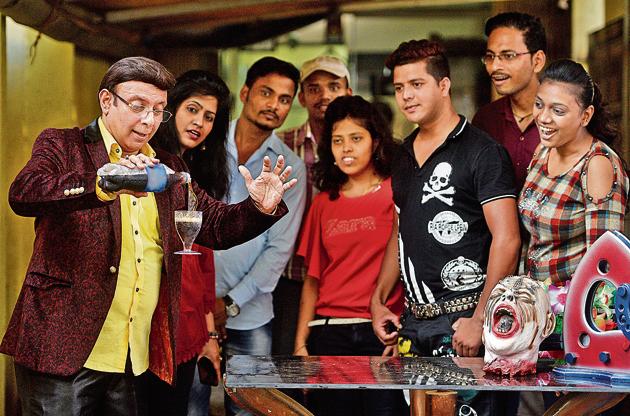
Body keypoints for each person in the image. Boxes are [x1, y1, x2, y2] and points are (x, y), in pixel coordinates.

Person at [1, 56, 296, 415]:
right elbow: (25, 193)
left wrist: (258, 207)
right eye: (138, 106)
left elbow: (216, 226)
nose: (149, 120)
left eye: (158, 110)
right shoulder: (64, 146)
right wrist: (103, 182)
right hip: (63, 348)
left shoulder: (169, 167)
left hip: (132, 357)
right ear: (107, 101)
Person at [369, 40, 521, 415]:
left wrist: (480, 319)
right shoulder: (402, 154)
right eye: (400, 87)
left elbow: (508, 239)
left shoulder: (482, 151)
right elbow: (400, 230)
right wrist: (378, 299)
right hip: (413, 325)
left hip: (468, 325)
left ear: (444, 85)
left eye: (417, 84)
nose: (405, 96)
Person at [294, 95, 407, 416]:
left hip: (381, 334)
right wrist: (301, 344)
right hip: (329, 333)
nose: (346, 149)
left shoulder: (396, 193)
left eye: (356, 139)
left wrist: (405, 334)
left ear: (376, 141)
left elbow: (412, 270)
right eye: (337, 141)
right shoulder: (323, 203)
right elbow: (313, 280)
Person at [214, 56, 307, 416]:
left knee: (250, 409)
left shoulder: (289, 167)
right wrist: (203, 301)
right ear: (245, 92)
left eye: (284, 99)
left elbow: (278, 251)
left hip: (250, 314)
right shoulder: (206, 145)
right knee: (186, 406)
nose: (274, 105)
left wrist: (229, 303)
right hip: (190, 311)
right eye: (267, 93)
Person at [135, 70, 231, 415]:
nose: (199, 123)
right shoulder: (143, 165)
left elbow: (202, 265)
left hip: (187, 327)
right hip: (144, 321)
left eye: (209, 117)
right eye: (192, 110)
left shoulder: (197, 177)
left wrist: (209, 336)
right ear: (169, 110)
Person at [519, 59, 628, 357]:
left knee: (579, 403)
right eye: (539, 105)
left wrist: (592, 344)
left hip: (578, 320)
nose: (543, 117)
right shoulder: (543, 151)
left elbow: (604, 265)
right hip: (540, 314)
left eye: (558, 110)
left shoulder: (598, 164)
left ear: (585, 115)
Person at [273, 55, 353, 356]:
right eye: (314, 88)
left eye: (334, 86)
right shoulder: (281, 144)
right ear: (302, 98)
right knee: (290, 367)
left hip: (346, 279)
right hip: (291, 276)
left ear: (348, 91)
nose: (325, 95)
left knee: (341, 372)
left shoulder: (362, 145)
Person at [473, 12, 547, 189]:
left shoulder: (565, 117)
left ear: (537, 61)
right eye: (490, 56)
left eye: (508, 56)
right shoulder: (485, 120)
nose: (495, 67)